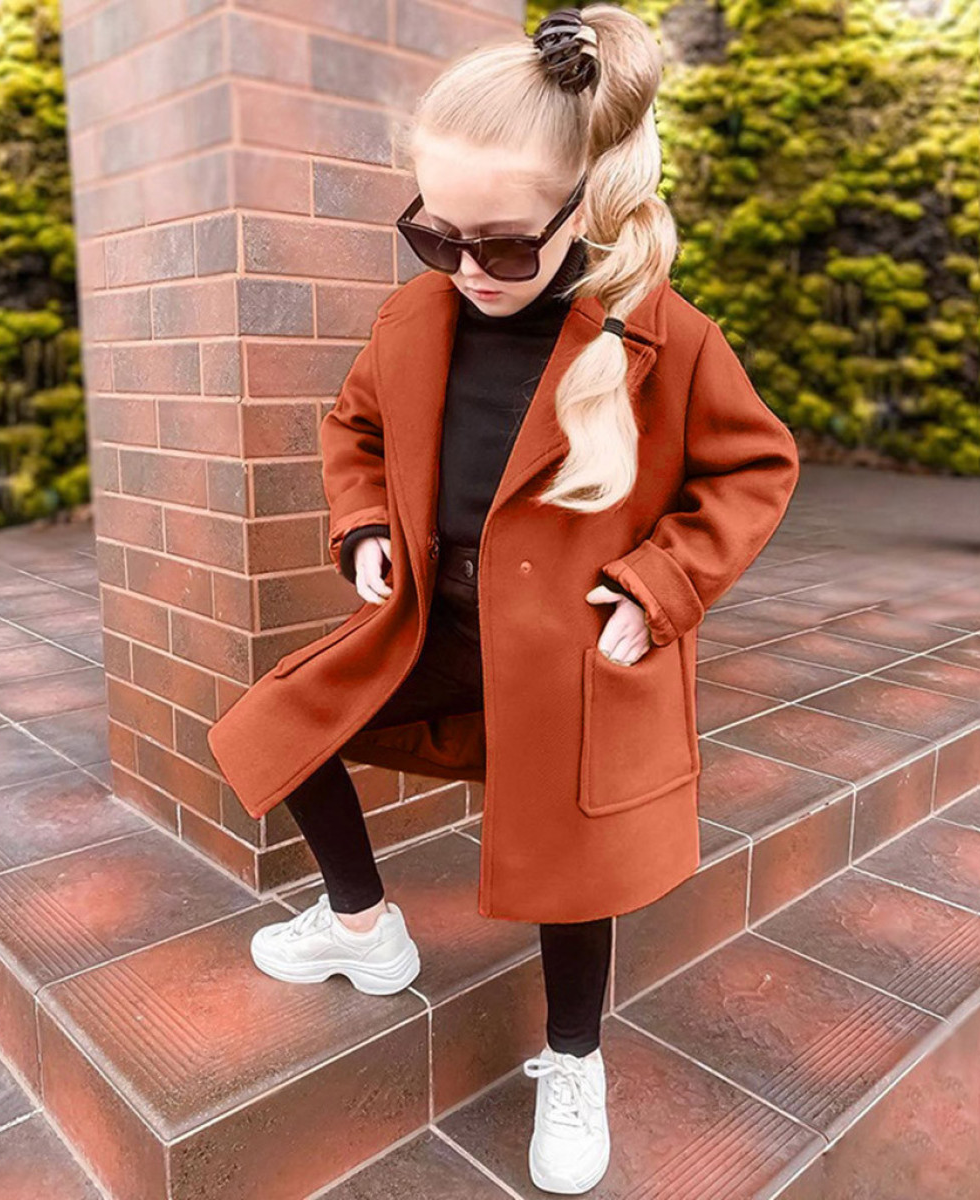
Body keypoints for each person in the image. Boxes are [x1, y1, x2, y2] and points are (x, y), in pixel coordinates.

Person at [238, 6, 797, 1195]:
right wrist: (362, 526)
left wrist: (660, 586)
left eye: (502, 248)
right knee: (280, 727)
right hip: (434, 624)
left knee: (569, 862)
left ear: (585, 209)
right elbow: (354, 428)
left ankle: (575, 1056)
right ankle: (361, 926)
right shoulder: (414, 317)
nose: (465, 271)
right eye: (434, 236)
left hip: (580, 651)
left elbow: (753, 470)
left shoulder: (663, 338)